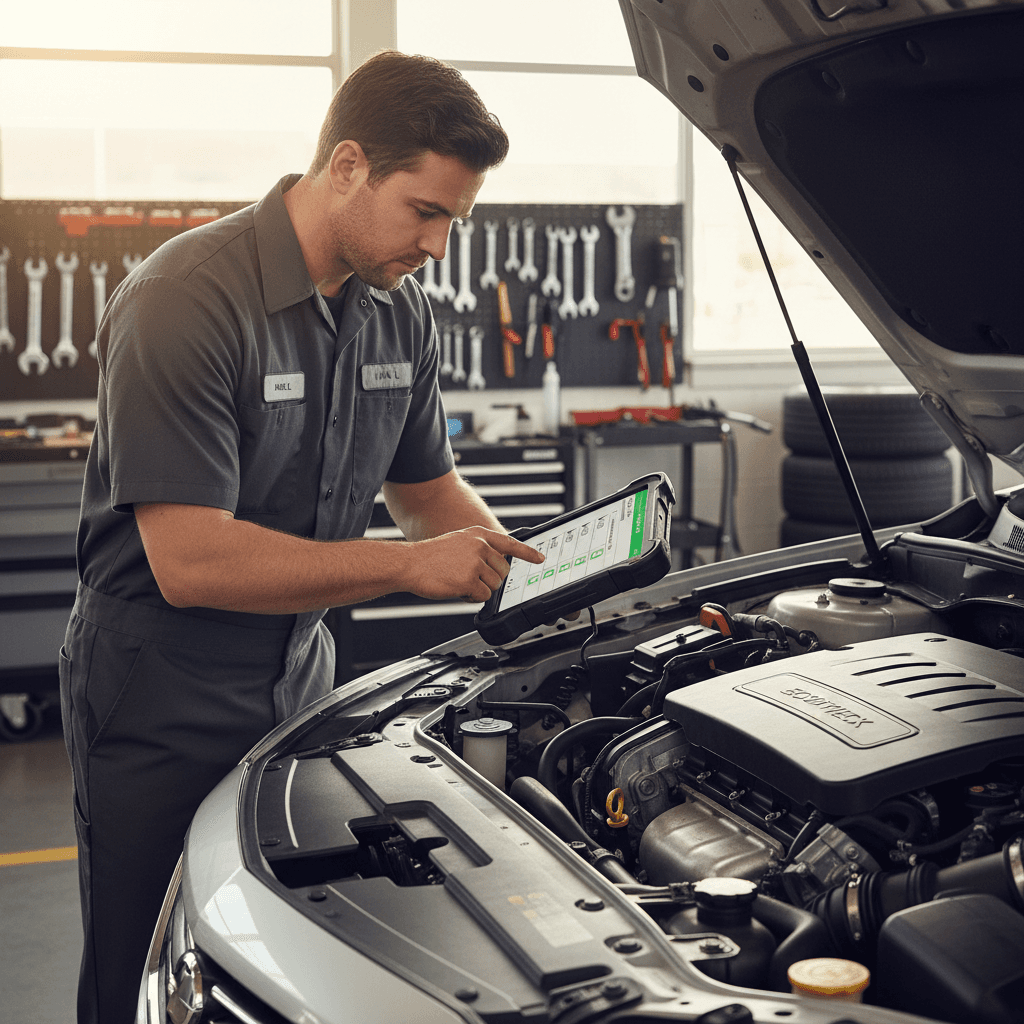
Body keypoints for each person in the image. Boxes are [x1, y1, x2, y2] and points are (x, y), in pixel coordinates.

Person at [60, 50, 545, 1024]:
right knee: (147, 960)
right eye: (427, 212)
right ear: (350, 167)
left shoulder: (399, 313)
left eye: (457, 218)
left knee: (280, 952)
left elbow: (427, 491)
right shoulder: (186, 299)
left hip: (302, 680)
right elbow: (191, 560)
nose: (440, 246)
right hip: (162, 686)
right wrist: (409, 568)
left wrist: (545, 574)